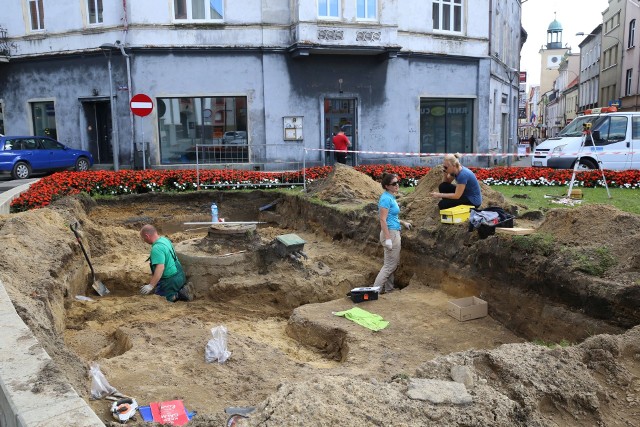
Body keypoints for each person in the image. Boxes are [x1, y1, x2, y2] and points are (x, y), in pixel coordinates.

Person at [373, 173, 412, 294]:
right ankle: (374, 292)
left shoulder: (390, 197)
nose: (397, 185)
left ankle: (389, 289)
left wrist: (403, 222)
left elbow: (391, 216)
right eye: (394, 183)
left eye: (397, 182)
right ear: (386, 186)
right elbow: (382, 219)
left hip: (392, 231)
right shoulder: (385, 199)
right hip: (390, 233)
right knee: (390, 266)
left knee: (389, 264)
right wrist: (388, 239)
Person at [139, 224, 194, 302]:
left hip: (170, 281)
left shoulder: (157, 248)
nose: (144, 241)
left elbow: (160, 268)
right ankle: (181, 287)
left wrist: (151, 286)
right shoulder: (164, 239)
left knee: (161, 300)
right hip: (180, 274)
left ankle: (180, 294)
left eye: (143, 238)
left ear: (147, 236)